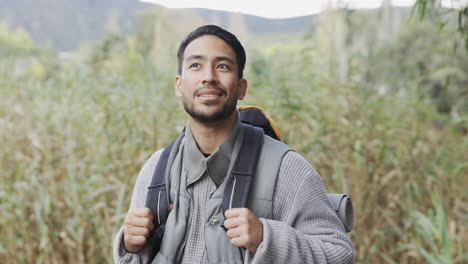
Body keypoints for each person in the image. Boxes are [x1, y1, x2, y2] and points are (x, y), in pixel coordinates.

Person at [113, 25, 354, 264]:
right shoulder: (155, 169)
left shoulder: (287, 169)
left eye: (222, 66)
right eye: (195, 65)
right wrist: (130, 247)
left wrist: (265, 238)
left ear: (241, 87)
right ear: (179, 85)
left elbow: (339, 254)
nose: (208, 76)